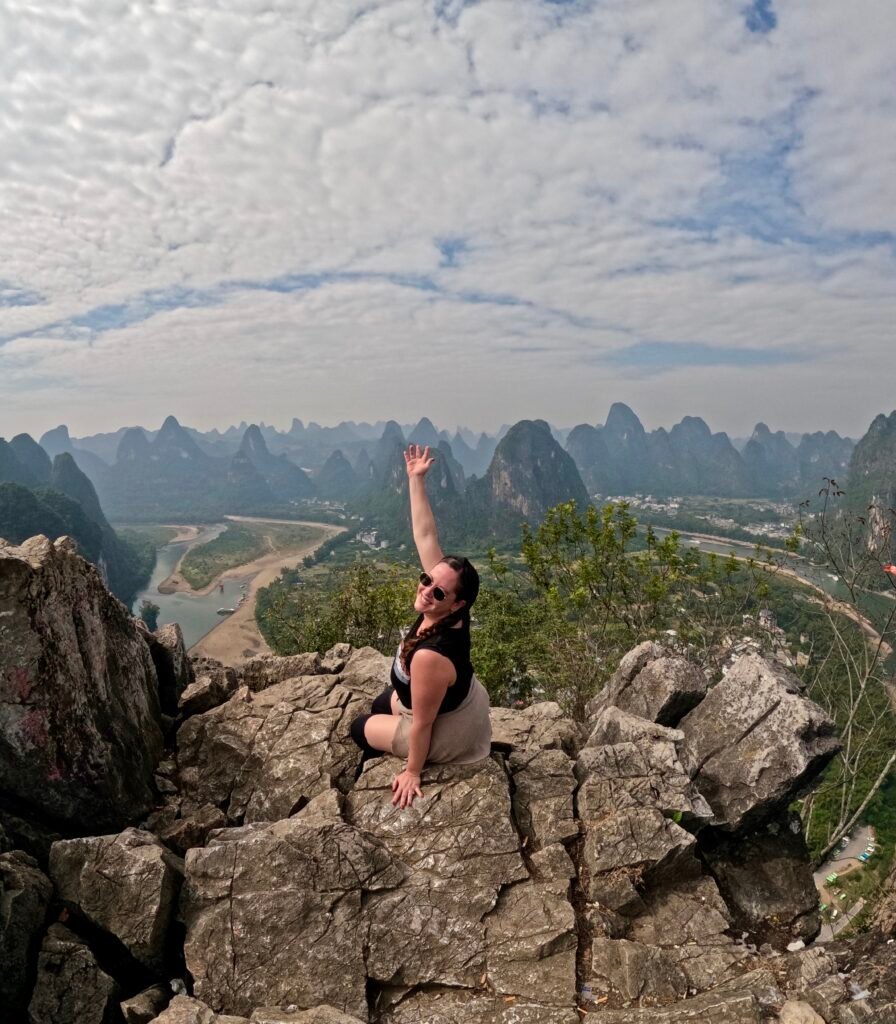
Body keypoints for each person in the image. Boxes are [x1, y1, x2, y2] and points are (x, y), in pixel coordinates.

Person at [349, 443, 492, 808]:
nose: (427, 590)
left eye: (438, 591)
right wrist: (416, 480)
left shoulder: (431, 656)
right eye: (426, 579)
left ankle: (390, 761)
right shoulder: (448, 605)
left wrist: (412, 771)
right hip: (462, 700)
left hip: (451, 729)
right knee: (381, 703)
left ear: (457, 603)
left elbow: (424, 724)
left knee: (359, 727)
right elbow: (425, 535)